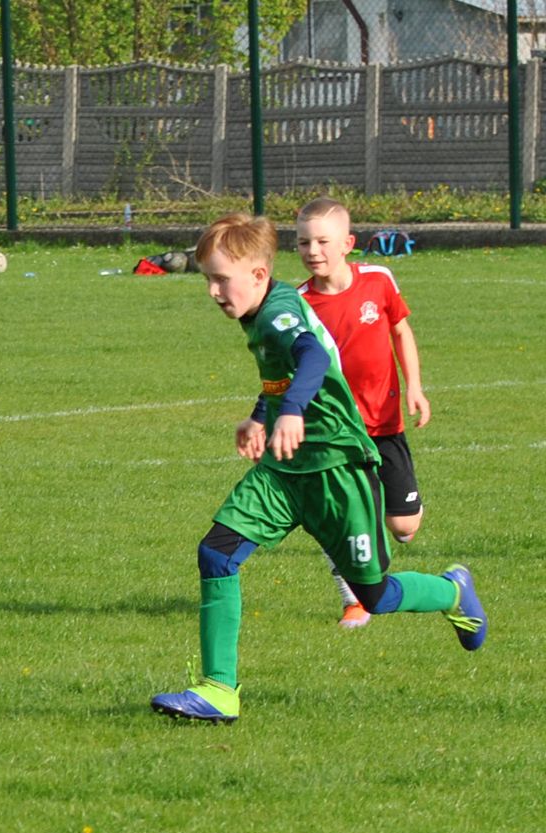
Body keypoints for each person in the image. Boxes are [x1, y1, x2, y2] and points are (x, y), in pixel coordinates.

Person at [150, 213, 486, 724]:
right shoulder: (257, 313)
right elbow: (282, 376)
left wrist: (290, 412)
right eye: (207, 280)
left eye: (222, 279)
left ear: (259, 276)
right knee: (216, 554)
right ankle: (218, 690)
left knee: (374, 594)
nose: (213, 291)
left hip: (338, 471)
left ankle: (453, 591)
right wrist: (261, 415)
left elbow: (308, 357)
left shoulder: (280, 312)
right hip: (285, 472)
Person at [293, 196, 432, 628]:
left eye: (321, 241)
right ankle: (354, 599)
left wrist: (416, 388)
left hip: (385, 424)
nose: (312, 251)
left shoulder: (378, 280)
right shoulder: (298, 304)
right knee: (348, 517)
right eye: (302, 243)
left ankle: (404, 518)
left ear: (348, 243)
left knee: (403, 525)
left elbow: (400, 331)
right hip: (337, 432)